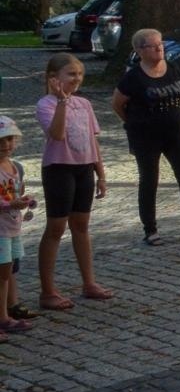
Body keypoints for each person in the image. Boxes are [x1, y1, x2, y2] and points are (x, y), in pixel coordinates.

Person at [113, 28, 180, 245]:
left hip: (175, 134)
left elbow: (179, 92)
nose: (159, 49)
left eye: (160, 44)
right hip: (146, 136)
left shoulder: (172, 68)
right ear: (139, 50)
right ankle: (150, 229)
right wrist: (133, 122)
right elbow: (117, 104)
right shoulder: (133, 77)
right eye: (153, 46)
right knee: (149, 181)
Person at [36, 53, 111, 310]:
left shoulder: (85, 104)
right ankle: (47, 291)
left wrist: (100, 174)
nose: (76, 79)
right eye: (71, 74)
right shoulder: (45, 104)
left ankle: (89, 283)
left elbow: (92, 140)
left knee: (81, 225)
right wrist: (61, 103)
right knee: (56, 228)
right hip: (59, 169)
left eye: (79, 74)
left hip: (84, 169)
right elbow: (56, 135)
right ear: (54, 78)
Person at [0, 116, 38, 340]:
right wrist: (10, 204)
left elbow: (14, 193)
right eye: (1, 140)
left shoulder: (14, 167)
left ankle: (4, 316)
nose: (5, 145)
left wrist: (25, 200)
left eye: (10, 139)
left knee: (6, 273)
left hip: (11, 228)